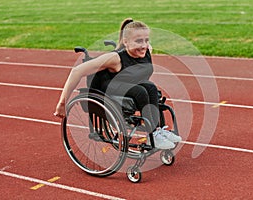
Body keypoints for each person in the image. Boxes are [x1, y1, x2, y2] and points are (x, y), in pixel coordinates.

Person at [54, 18, 181, 149]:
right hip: (110, 87)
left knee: (151, 87)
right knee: (141, 91)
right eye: (138, 41)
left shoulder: (147, 50)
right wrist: (62, 103)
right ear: (125, 42)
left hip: (131, 85)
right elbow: (77, 71)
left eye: (146, 40)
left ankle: (156, 132)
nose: (143, 45)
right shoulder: (115, 58)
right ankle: (153, 134)